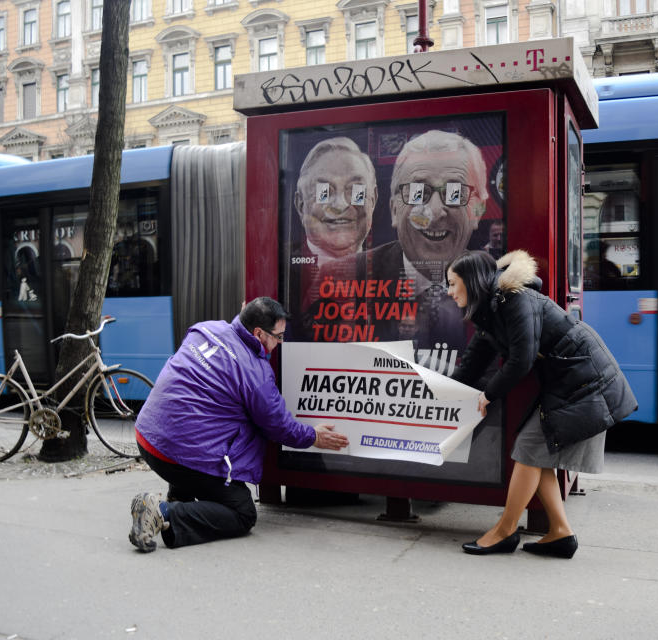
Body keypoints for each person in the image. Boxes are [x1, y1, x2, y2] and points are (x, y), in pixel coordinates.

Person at [446, 250, 636, 557]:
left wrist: (488, 395)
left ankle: (505, 531)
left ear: (471, 281)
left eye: (453, 283)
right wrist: (440, 391)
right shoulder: (490, 312)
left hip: (585, 379)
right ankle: (560, 532)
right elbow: (471, 366)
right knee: (536, 450)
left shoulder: (514, 299)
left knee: (529, 449)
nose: (450, 291)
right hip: (571, 380)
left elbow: (521, 360)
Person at [128, 297, 349, 552]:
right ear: (258, 333)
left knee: (198, 425)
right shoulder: (255, 374)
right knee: (242, 511)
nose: (279, 343)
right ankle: (163, 513)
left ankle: (180, 496)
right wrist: (313, 436)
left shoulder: (207, 328)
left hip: (147, 436)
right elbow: (278, 425)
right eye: (279, 337)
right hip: (177, 455)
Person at [313, 129, 488, 348]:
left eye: (455, 192)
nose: (435, 211)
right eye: (418, 192)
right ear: (395, 209)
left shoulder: (496, 287)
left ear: (478, 211)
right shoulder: (338, 277)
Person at [292, 137, 377, 264]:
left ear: (373, 200)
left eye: (355, 191)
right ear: (300, 205)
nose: (340, 205)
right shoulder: (281, 265)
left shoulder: (388, 268)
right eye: (323, 192)